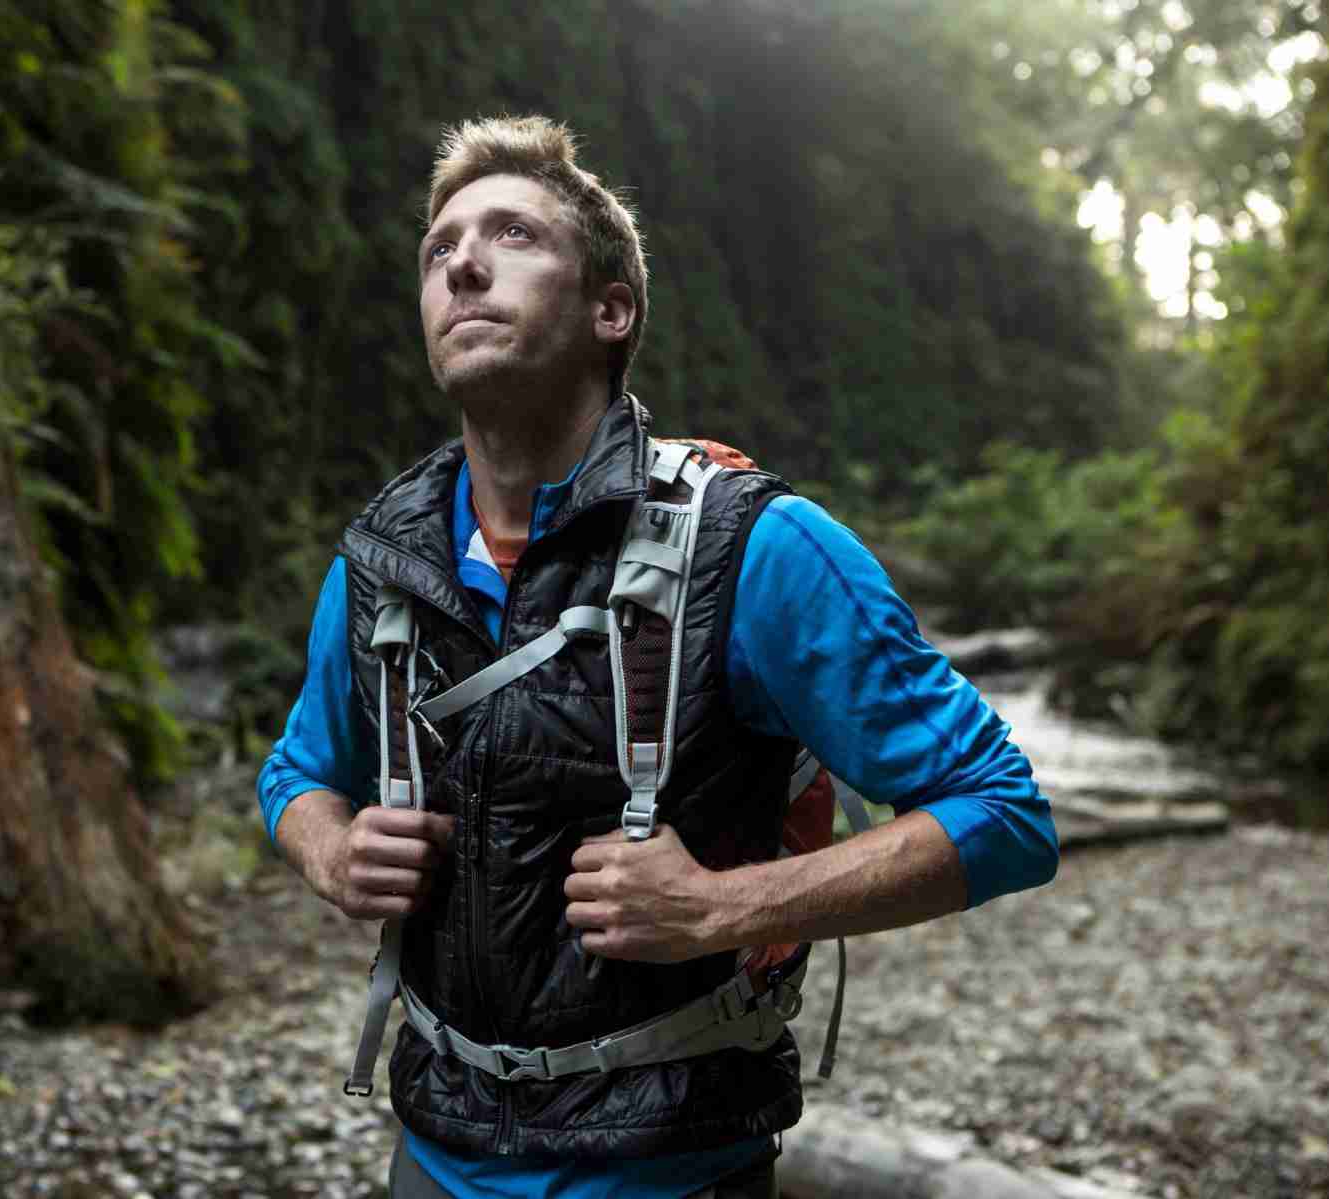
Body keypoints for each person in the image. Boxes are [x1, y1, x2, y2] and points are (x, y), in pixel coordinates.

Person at [257, 115, 1059, 1199]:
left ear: (611, 308)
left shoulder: (758, 548)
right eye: (439, 248)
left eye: (512, 235)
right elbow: (296, 771)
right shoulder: (378, 562)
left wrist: (723, 908)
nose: (464, 263)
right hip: (432, 1151)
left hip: (672, 1169)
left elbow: (1003, 811)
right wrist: (331, 848)